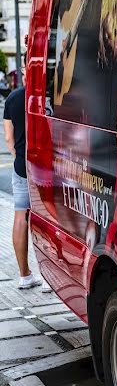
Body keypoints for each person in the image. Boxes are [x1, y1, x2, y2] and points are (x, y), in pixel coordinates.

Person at [3, 71, 41, 288]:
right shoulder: (47, 97)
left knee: (20, 217)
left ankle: (24, 275)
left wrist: (18, 157)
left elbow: (8, 137)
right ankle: (48, 278)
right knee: (46, 218)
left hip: (22, 167)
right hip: (46, 167)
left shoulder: (13, 98)